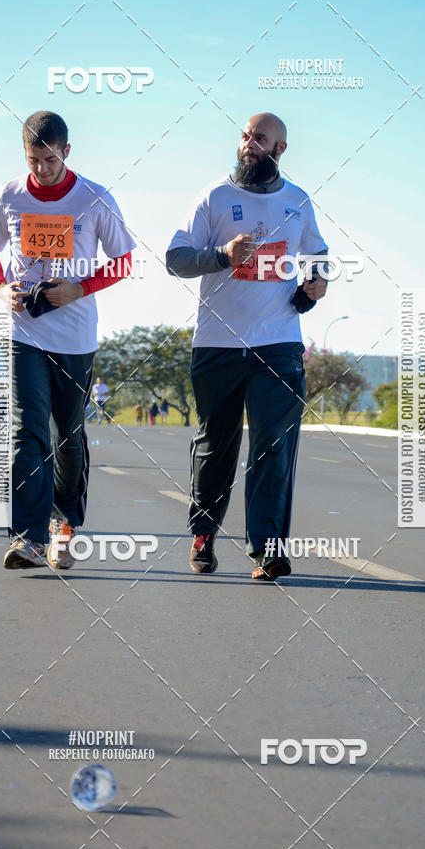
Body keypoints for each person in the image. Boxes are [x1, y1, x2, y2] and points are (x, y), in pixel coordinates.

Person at [166, 112, 328, 581]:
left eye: (260, 138)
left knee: (273, 445)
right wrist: (220, 255)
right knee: (217, 445)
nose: (248, 144)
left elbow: (318, 256)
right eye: (244, 136)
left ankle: (268, 550)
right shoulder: (214, 196)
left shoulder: (297, 202)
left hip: (277, 342)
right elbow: (176, 259)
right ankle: (204, 534)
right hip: (217, 343)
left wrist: (315, 287)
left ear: (279, 150)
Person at [0, 110, 135, 571]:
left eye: (49, 159)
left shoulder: (94, 198)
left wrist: (78, 289)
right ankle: (26, 536)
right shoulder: (7, 197)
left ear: (66, 152)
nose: (41, 169)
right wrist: (1, 287)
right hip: (24, 333)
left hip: (75, 336)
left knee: (67, 434)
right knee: (27, 428)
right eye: (33, 160)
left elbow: (123, 259)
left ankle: (65, 526)